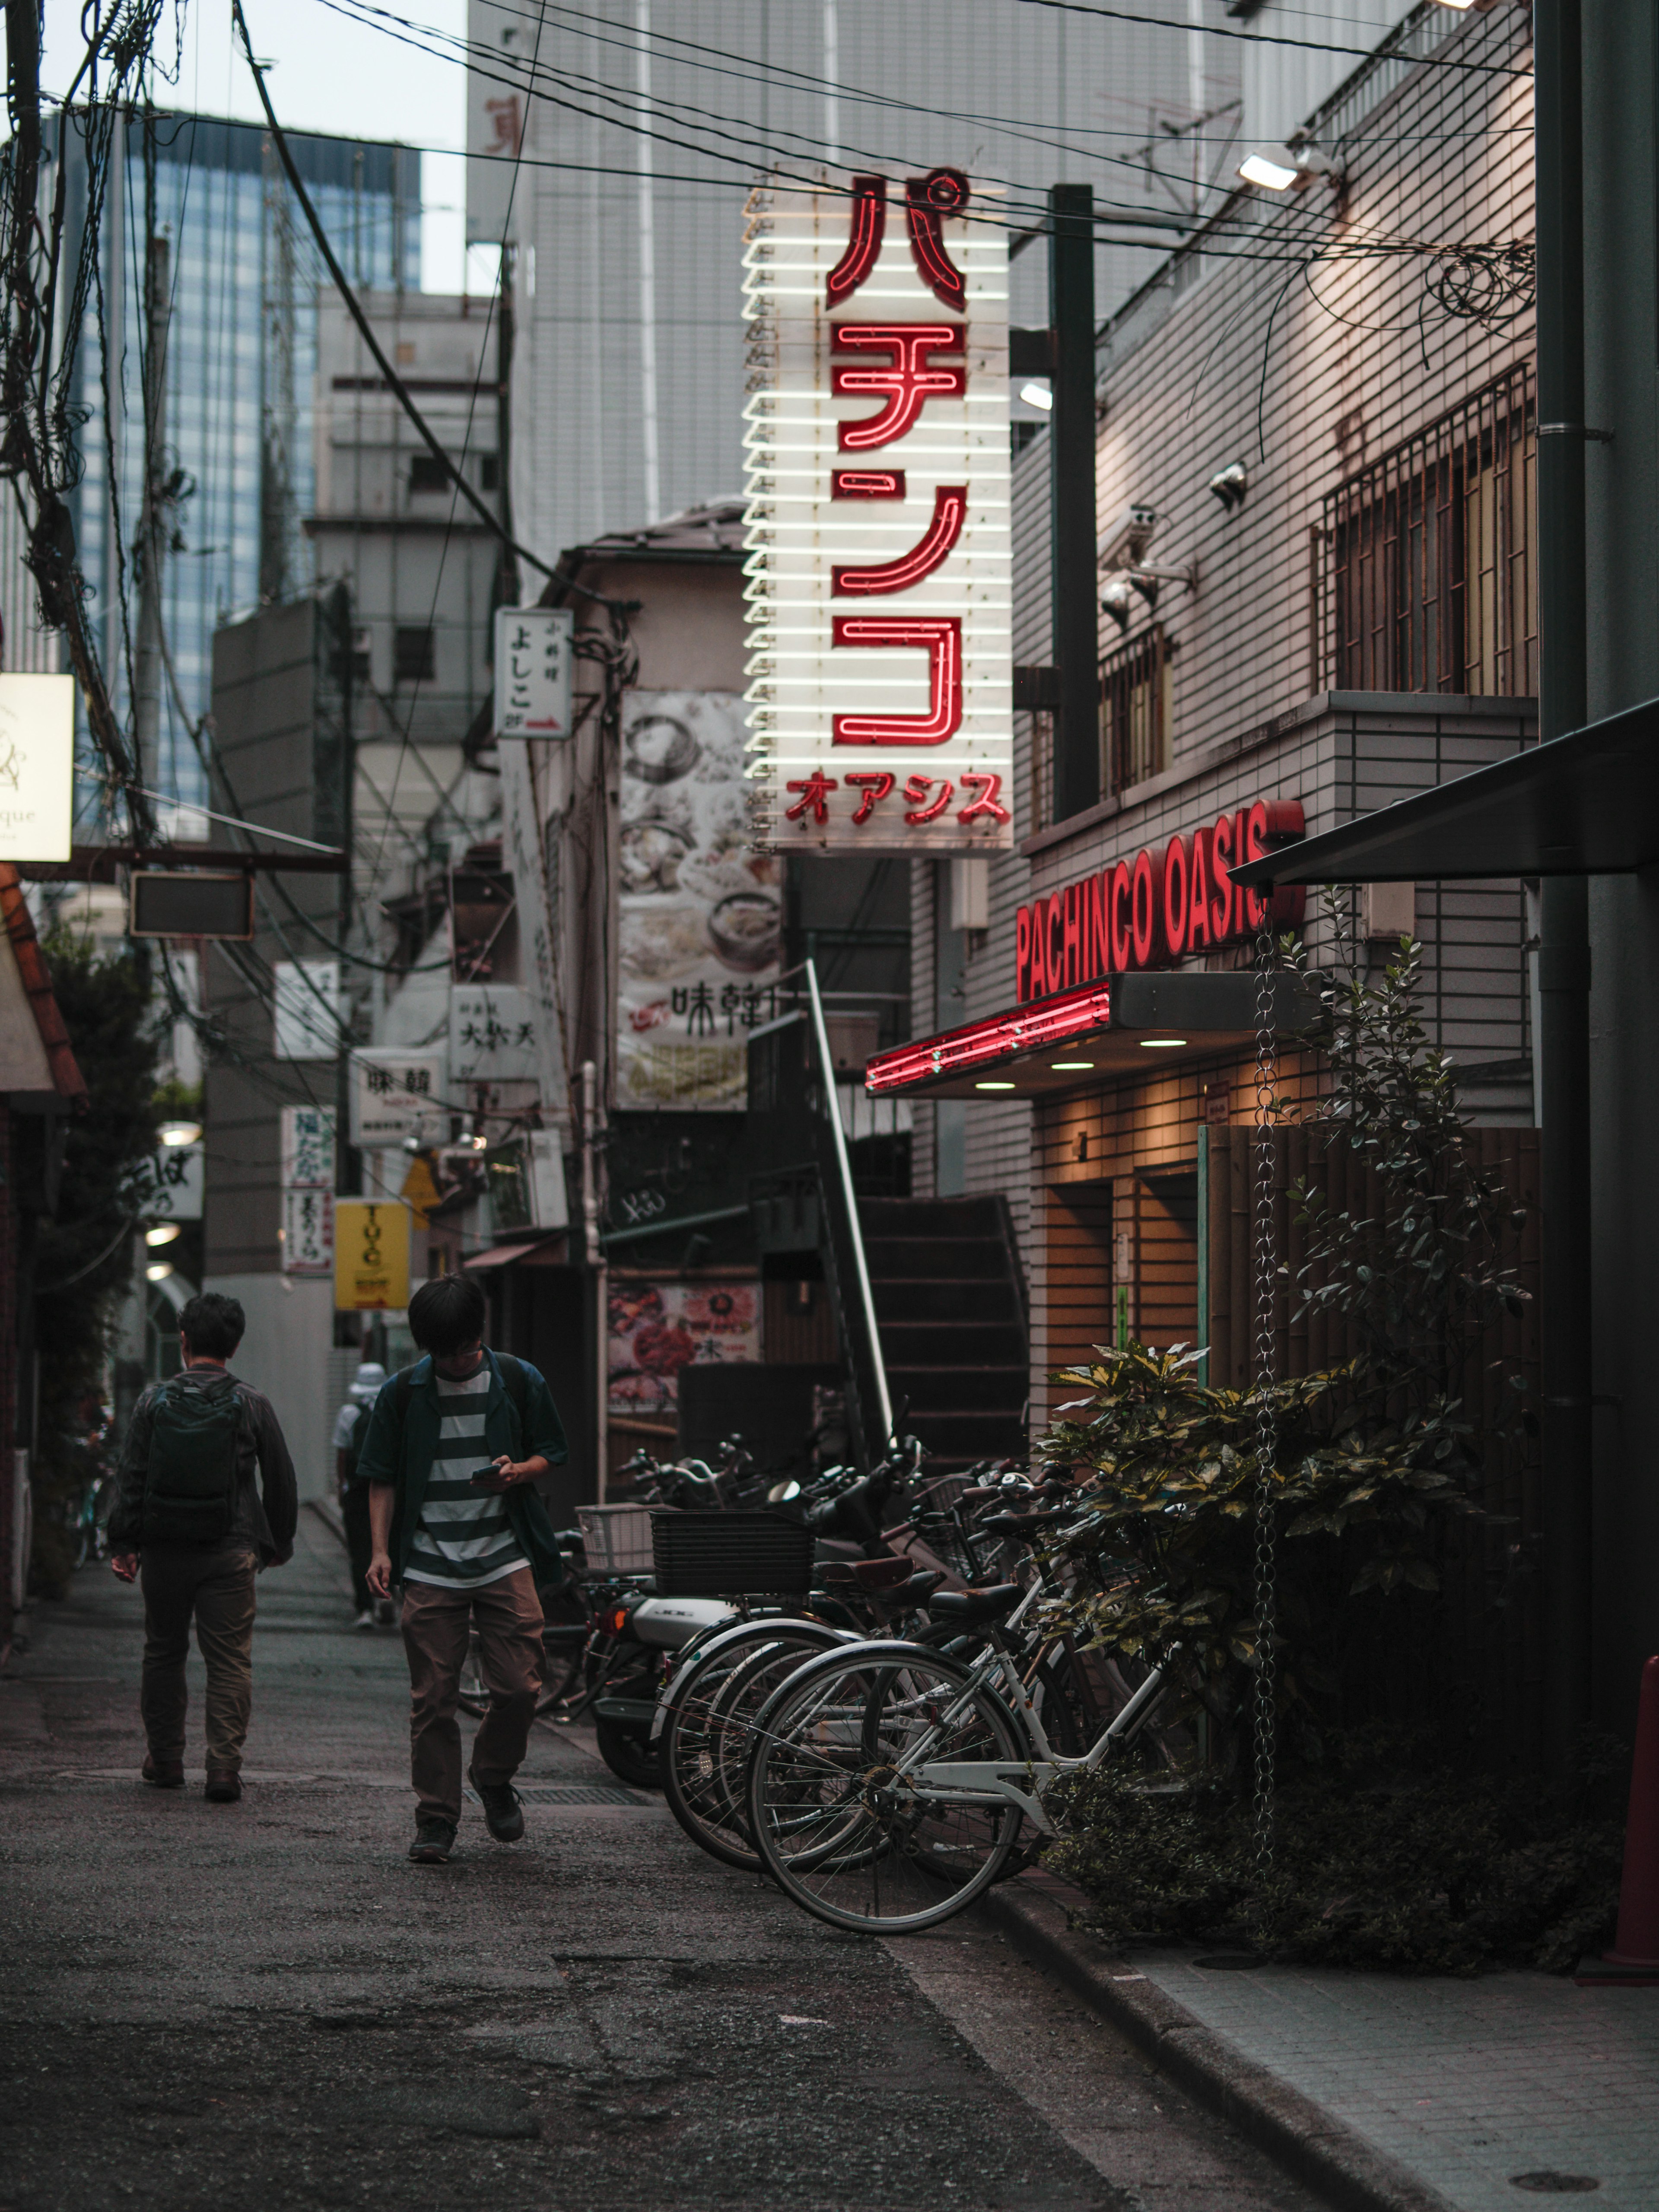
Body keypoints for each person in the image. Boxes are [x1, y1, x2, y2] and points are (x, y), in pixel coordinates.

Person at [360, 1274, 568, 1865]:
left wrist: (517, 1472)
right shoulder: (402, 1393)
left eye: (462, 1349)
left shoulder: (519, 1379)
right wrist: (380, 1551)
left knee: (522, 1687)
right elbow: (380, 1475)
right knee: (434, 1698)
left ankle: (492, 1775)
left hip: (504, 1554)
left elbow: (552, 1451)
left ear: (478, 1334)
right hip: (429, 1564)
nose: (454, 1361)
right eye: (441, 1351)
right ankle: (436, 1818)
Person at [108, 1290, 298, 1803]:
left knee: (163, 1651)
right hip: (231, 1549)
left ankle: (166, 1758)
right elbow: (281, 1476)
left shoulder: (153, 1401)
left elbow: (132, 1474)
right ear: (234, 1346)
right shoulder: (251, 1402)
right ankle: (223, 1769)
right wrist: (279, 1540)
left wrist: (124, 1540)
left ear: (184, 1340)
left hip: (165, 1549)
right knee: (230, 1660)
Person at [332, 1360, 390, 1628]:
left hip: (357, 1490)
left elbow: (342, 1452)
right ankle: (388, 1596)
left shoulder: (348, 1413)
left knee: (360, 1549)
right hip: (389, 1488)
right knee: (388, 1544)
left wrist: (342, 1483)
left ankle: (365, 1608)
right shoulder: (392, 1409)